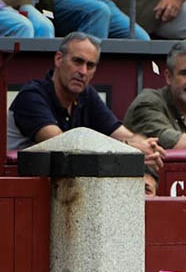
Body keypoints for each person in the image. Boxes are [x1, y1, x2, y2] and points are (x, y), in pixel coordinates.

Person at [8, 32, 164, 170]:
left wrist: (147, 146)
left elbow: (124, 135)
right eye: (77, 61)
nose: (83, 72)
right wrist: (129, 148)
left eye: (90, 65)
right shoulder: (32, 96)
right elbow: (63, 145)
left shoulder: (86, 94)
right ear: (58, 59)